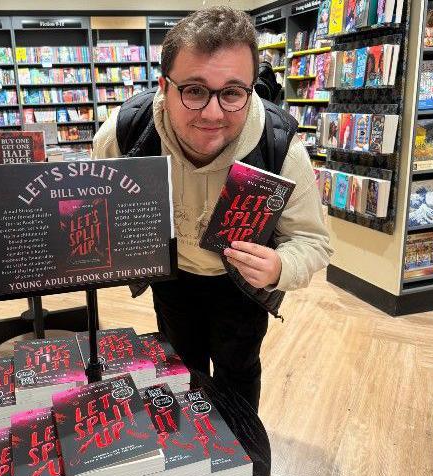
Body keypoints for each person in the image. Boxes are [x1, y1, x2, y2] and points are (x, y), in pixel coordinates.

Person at [93, 6, 332, 412]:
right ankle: (187, 456)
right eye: (194, 90)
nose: (213, 113)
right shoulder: (123, 135)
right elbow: (95, 213)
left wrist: (278, 267)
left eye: (233, 92)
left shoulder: (280, 148)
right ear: (163, 86)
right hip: (172, 278)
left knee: (238, 375)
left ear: (251, 89)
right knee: (178, 375)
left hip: (241, 288)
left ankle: (240, 462)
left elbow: (312, 241)